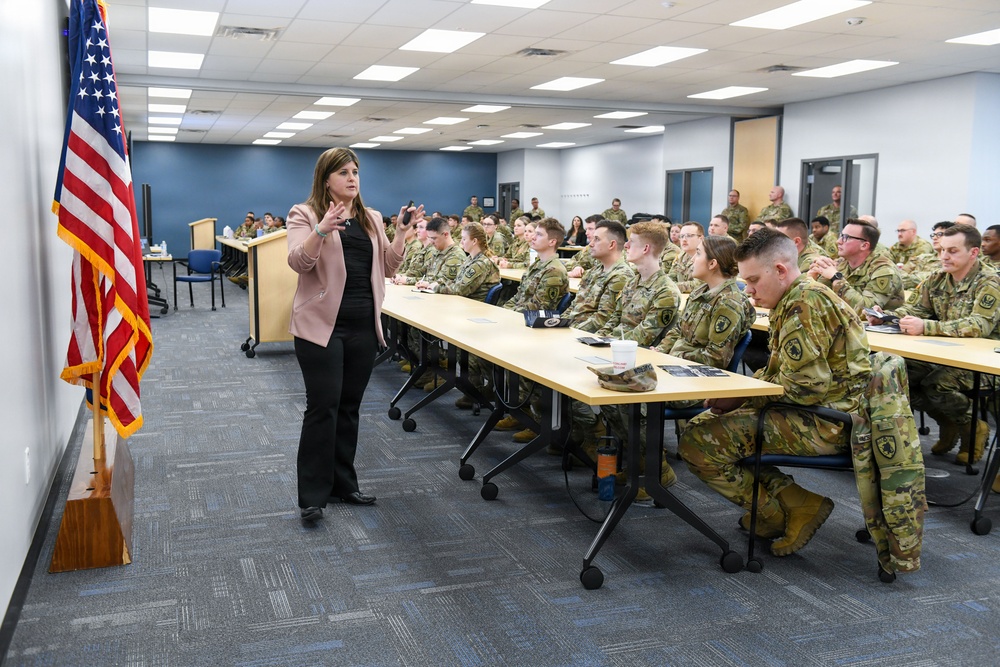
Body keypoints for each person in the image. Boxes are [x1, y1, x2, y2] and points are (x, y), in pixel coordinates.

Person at [680, 228, 871, 556]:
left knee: (700, 441)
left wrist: (741, 398)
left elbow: (805, 387)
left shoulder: (804, 304)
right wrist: (736, 392)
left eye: (753, 281)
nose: (749, 292)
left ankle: (773, 513)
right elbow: (779, 371)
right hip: (817, 409)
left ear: (780, 270)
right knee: (708, 425)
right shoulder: (793, 298)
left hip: (830, 421)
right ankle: (796, 503)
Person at [287, 147, 422, 522]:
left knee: (348, 409)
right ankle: (312, 495)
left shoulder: (372, 218)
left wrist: (400, 236)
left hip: (363, 325)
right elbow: (299, 262)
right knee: (323, 407)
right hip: (321, 328)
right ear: (325, 178)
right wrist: (320, 230)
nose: (352, 178)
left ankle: (343, 485)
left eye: (355, 171)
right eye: (343, 171)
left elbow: (390, 267)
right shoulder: (306, 214)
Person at [867, 223, 1000, 465]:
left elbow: (980, 325)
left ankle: (971, 426)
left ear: (974, 253)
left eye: (953, 251)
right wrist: (888, 316)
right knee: (895, 374)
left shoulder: (989, 281)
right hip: (943, 353)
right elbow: (916, 308)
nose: (944, 256)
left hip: (983, 360)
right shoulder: (937, 278)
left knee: (936, 385)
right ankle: (948, 421)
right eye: (942, 250)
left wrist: (926, 326)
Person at [597, 221, 681, 346]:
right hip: (615, 345)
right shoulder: (632, 283)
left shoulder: (666, 291)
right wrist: (597, 338)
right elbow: (615, 319)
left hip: (633, 351)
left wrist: (609, 343)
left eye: (632, 242)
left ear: (645, 248)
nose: (626, 245)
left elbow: (644, 336)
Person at [808, 218, 905, 317]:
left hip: (877, 330)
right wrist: (811, 278)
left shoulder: (884, 270)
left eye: (846, 237)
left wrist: (836, 278)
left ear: (864, 245)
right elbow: (814, 301)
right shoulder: (840, 263)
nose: (838, 241)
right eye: (841, 235)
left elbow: (866, 312)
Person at [561, 220, 633, 333]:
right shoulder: (594, 271)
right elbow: (574, 306)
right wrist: (559, 324)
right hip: (573, 330)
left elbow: (602, 319)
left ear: (612, 244)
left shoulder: (621, 276)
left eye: (597, 239)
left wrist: (568, 331)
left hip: (586, 336)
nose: (591, 244)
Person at [418, 221, 499, 302]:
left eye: (464, 239)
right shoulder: (471, 259)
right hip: (463, 302)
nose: (461, 242)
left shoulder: (480, 264)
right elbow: (457, 281)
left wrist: (435, 287)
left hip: (472, 306)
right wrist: (434, 284)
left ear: (474, 241)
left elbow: (460, 289)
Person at [900, 221, 953, 290]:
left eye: (939, 234)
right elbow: (899, 273)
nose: (934, 238)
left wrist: (909, 278)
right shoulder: (923, 258)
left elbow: (928, 279)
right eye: (933, 235)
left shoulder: (950, 263)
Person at [667, 221, 703, 291]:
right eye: (681, 236)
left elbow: (699, 285)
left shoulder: (706, 257)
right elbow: (671, 277)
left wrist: (670, 287)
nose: (684, 239)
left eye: (689, 236)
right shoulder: (681, 256)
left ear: (700, 238)